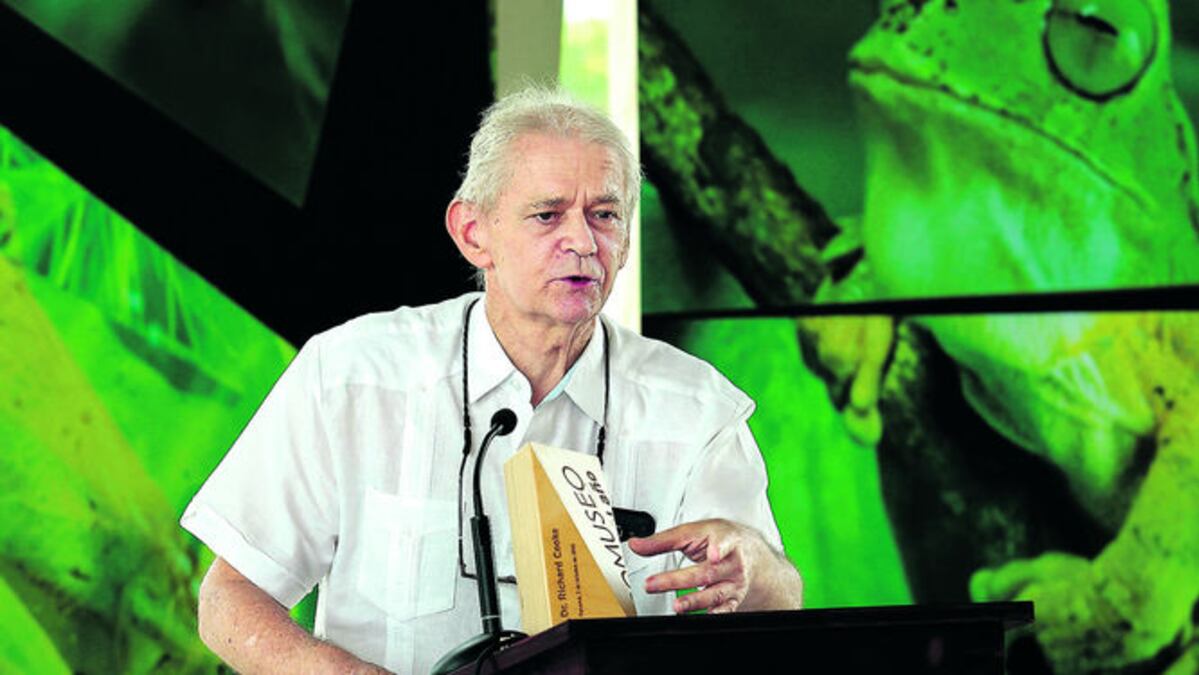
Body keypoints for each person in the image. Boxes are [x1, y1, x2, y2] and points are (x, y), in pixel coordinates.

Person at [182, 86, 803, 674]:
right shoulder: (352, 376)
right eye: (547, 215)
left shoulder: (696, 409)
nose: (582, 241)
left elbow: (780, 603)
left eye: (605, 215)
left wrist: (752, 567)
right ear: (474, 234)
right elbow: (229, 598)